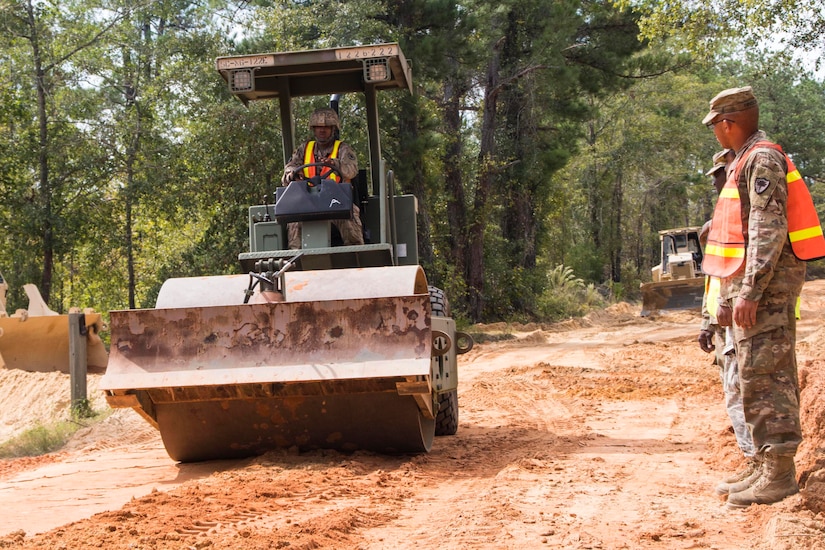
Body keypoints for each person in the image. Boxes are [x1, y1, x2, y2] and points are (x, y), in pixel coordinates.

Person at [701, 86, 825, 509]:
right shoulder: (745, 160)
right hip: (750, 287)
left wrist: (751, 290)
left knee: (767, 376)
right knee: (753, 376)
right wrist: (729, 294)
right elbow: (737, 237)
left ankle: (779, 473)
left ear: (728, 123)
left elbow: (767, 233)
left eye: (716, 125)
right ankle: (762, 463)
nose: (716, 134)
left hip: (766, 291)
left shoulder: (762, 159)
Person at [697, 148, 757, 498]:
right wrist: (708, 321)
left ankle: (756, 460)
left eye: (721, 173)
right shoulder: (722, 219)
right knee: (733, 390)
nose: (717, 181)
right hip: (724, 321)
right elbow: (715, 279)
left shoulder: (743, 218)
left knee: (743, 391)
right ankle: (752, 460)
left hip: (741, 319)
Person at [281, 107, 363, 249]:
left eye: (326, 127)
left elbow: (351, 170)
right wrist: (292, 173)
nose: (322, 130)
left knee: (350, 216)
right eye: (318, 127)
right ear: (313, 129)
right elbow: (290, 167)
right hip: (307, 202)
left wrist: (335, 164)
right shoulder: (304, 149)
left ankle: (356, 253)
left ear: (333, 129)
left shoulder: (343, 149)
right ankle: (295, 259)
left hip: (336, 201)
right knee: (293, 220)